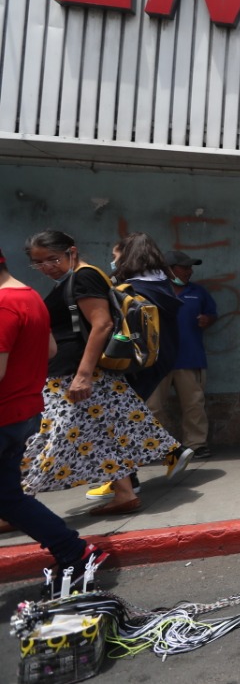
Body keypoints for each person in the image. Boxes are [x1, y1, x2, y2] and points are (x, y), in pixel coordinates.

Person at [21, 230, 179, 516]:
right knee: (102, 434)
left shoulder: (83, 277)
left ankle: (14, 506)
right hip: (75, 374)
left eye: (52, 259)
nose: (47, 268)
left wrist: (83, 374)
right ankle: (124, 492)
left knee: (44, 439)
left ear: (72, 251)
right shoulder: (71, 280)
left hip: (75, 375)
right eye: (38, 263)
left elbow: (102, 324)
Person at [0, 246, 105, 583]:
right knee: (9, 498)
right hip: (22, 412)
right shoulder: (30, 296)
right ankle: (75, 552)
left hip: (4, 414)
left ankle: (74, 552)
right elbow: (50, 350)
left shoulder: (2, 305)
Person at [85, 234, 193, 503]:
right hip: (158, 356)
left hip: (134, 360)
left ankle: (132, 475)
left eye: (115, 255)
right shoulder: (164, 285)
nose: (112, 260)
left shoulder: (130, 289)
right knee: (129, 415)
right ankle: (146, 466)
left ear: (128, 256)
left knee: (118, 419)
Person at [145, 250, 218, 460]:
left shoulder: (198, 292)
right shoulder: (153, 291)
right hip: (157, 361)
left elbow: (212, 315)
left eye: (190, 267)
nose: (189, 271)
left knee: (194, 404)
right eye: (184, 267)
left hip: (190, 357)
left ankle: (196, 444)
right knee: (153, 407)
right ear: (169, 269)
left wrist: (207, 320)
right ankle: (155, 447)